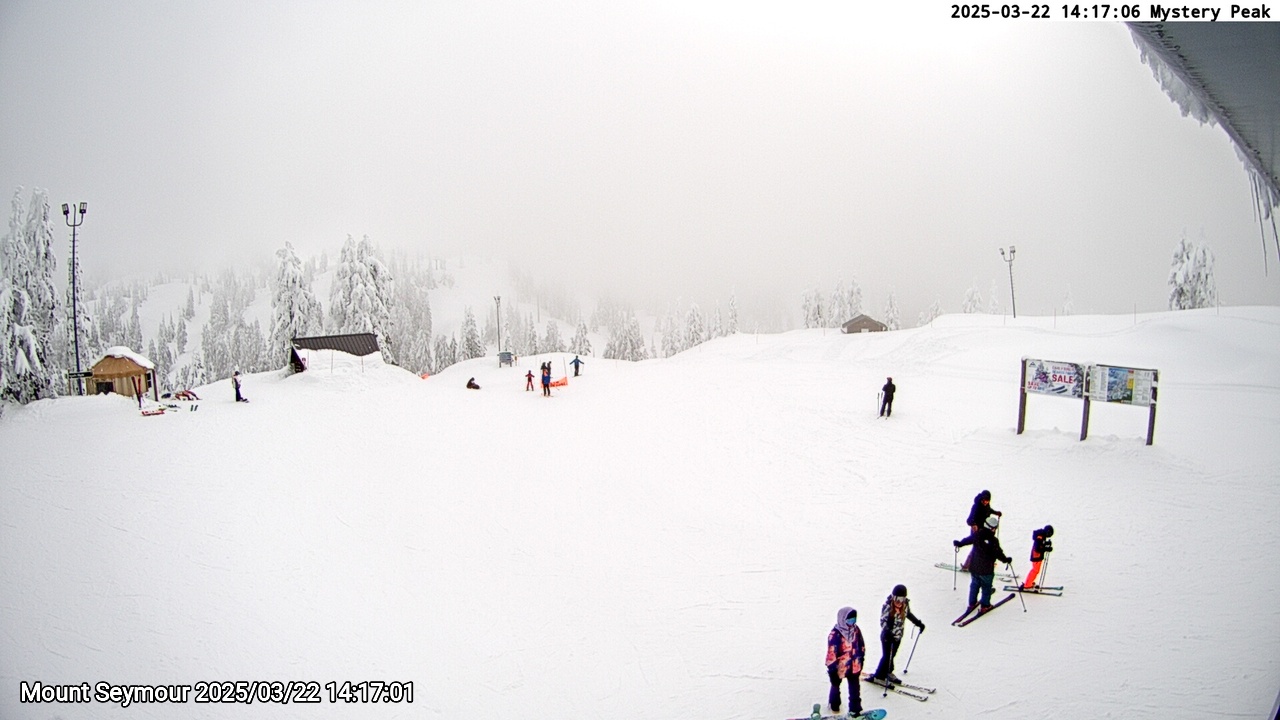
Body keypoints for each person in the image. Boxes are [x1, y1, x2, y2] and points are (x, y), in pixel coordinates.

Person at [954, 514, 1013, 610]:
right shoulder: (993, 541)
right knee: (986, 587)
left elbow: (968, 540)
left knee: (974, 584)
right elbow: (998, 553)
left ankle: (972, 603)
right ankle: (985, 605)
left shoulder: (977, 534)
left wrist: (960, 543)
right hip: (986, 569)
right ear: (992, 528)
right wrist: (1006, 560)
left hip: (974, 566)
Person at [871, 584, 925, 684]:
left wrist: (918, 623)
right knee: (887, 656)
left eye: (902, 598)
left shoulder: (905, 605)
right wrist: (887, 632)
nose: (899, 601)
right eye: (897, 598)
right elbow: (883, 621)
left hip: (898, 636)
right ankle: (878, 676)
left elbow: (908, 614)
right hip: (887, 637)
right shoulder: (887, 605)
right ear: (893, 597)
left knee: (892, 655)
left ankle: (888, 672)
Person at [825, 606, 864, 717]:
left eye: (854, 619)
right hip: (839, 667)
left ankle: (855, 710)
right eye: (849, 619)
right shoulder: (835, 634)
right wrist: (832, 669)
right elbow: (831, 653)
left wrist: (861, 658)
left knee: (855, 689)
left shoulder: (856, 630)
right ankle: (834, 705)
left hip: (854, 665)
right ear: (843, 619)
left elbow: (861, 645)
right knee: (835, 685)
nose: (852, 622)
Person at [961, 490, 1002, 571]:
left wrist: (996, 513)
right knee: (976, 547)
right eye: (984, 500)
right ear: (981, 499)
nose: (986, 502)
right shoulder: (976, 506)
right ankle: (967, 565)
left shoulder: (986, 505)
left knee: (987, 546)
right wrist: (974, 525)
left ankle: (987, 562)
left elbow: (989, 510)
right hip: (976, 530)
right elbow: (969, 520)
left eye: (987, 501)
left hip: (984, 529)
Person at [1022, 525, 1055, 589]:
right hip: (1036, 556)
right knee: (1035, 570)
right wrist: (1046, 549)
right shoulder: (1040, 536)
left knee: (1035, 570)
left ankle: (1029, 582)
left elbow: (1041, 544)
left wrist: (1046, 544)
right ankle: (1027, 584)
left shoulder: (1042, 535)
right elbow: (1038, 548)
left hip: (1037, 556)